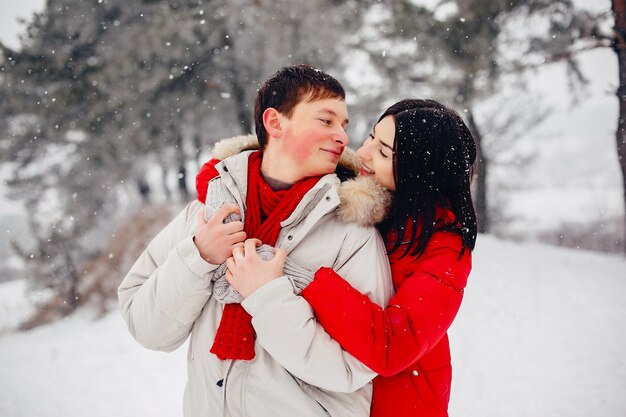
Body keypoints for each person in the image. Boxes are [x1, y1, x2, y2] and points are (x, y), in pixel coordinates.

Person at [118, 64, 393, 417]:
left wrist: (267, 296)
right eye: (326, 121)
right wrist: (198, 257)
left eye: (344, 125)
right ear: (275, 123)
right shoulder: (205, 214)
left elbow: (352, 367)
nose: (342, 137)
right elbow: (147, 329)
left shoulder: (352, 233)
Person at [217, 99, 477, 417]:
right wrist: (224, 175)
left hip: (400, 407)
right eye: (370, 136)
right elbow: (266, 169)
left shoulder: (446, 252)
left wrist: (302, 277)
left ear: (418, 174)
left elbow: (393, 347)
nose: (364, 152)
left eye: (383, 152)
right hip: (335, 399)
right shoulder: (367, 191)